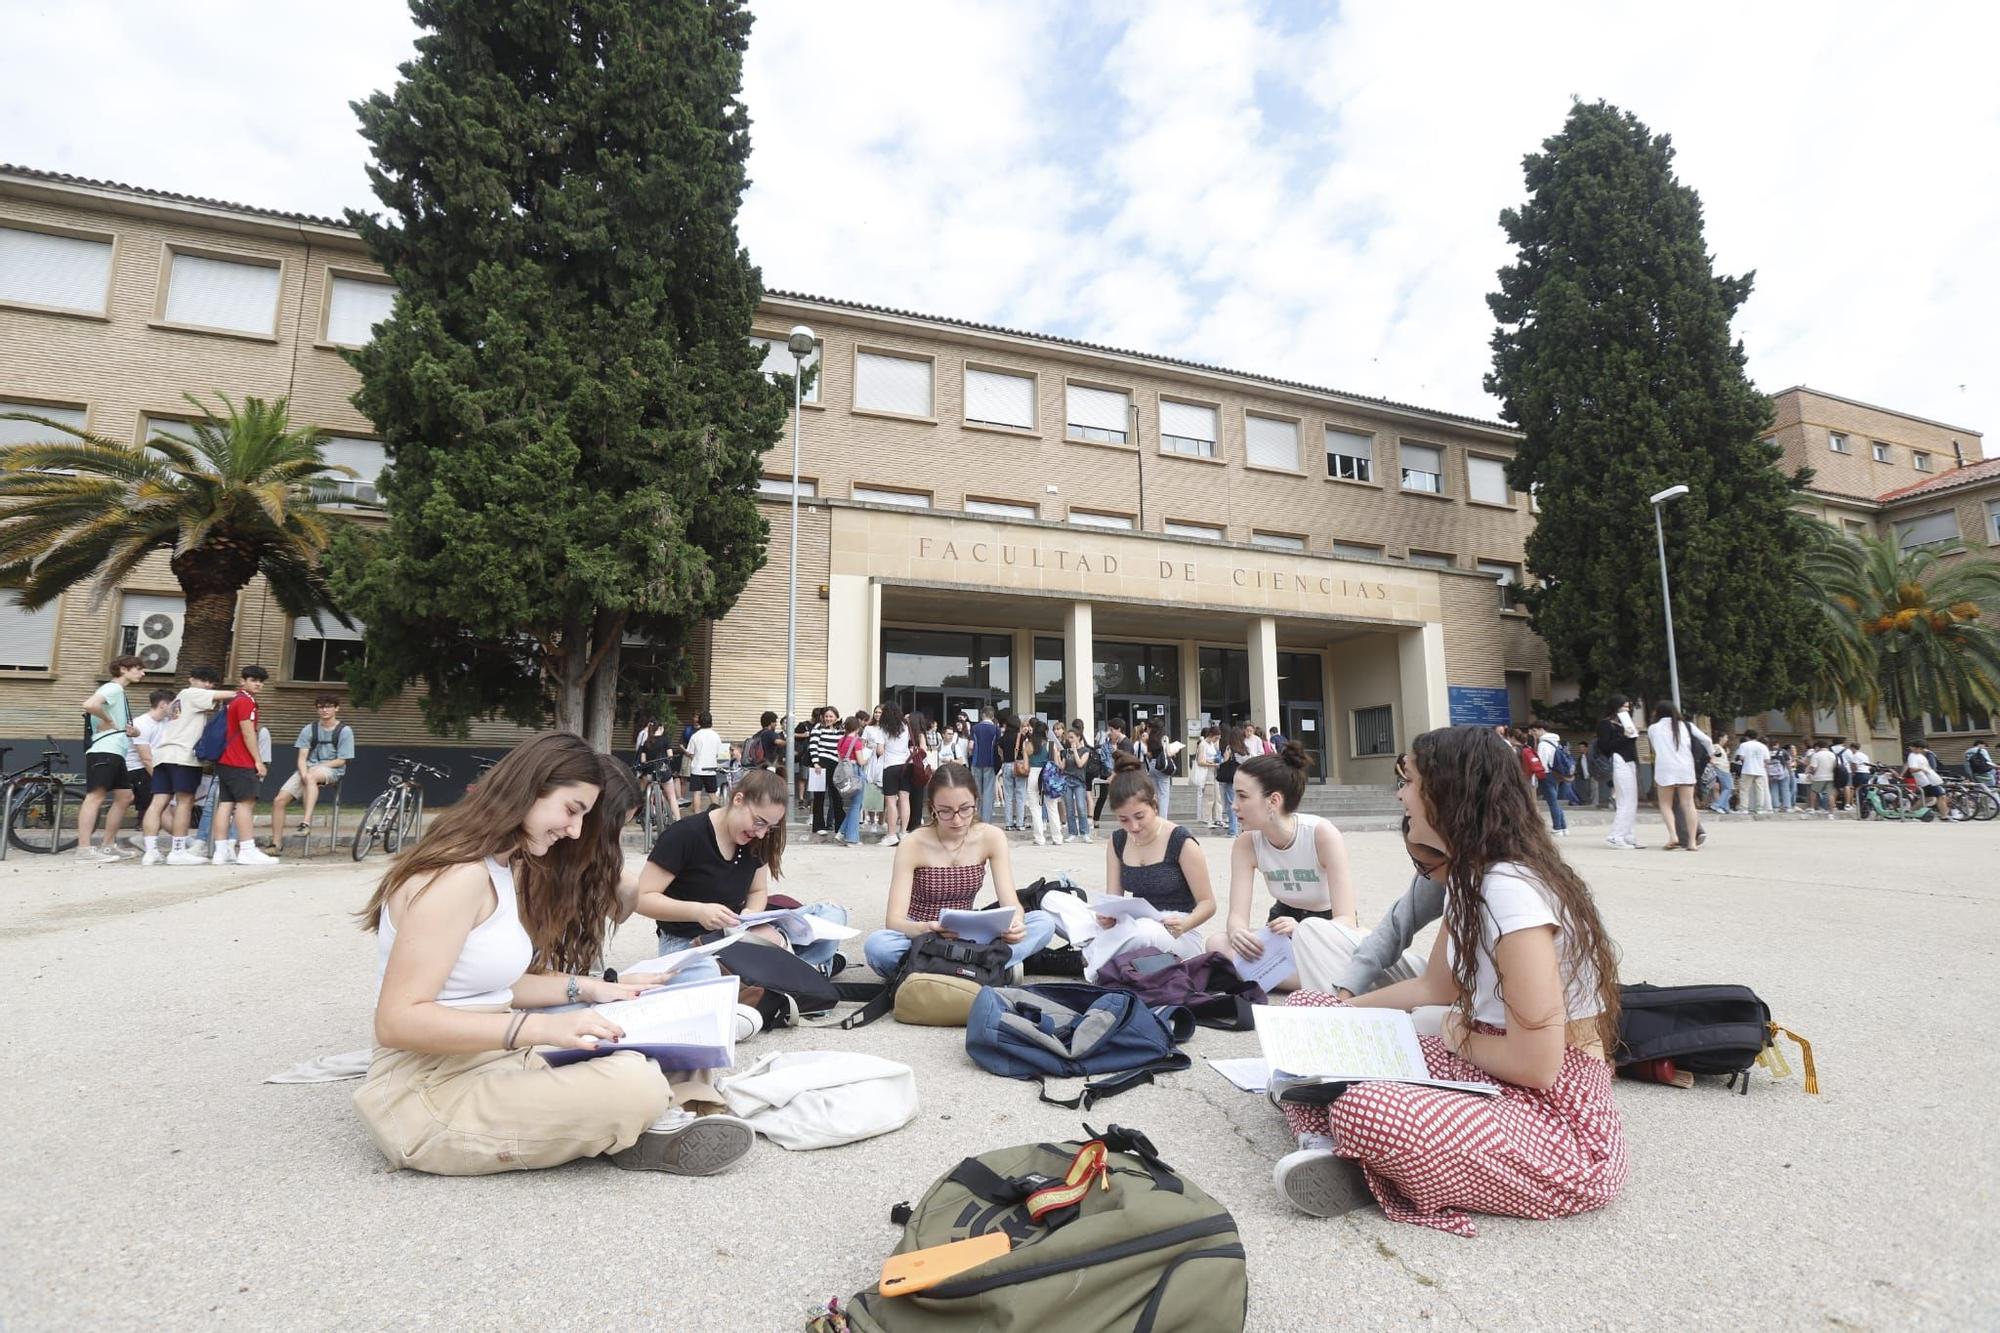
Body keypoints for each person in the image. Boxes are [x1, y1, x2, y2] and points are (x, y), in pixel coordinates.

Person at [1270, 726, 1626, 1234]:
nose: (1400, 794)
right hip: (1490, 1068)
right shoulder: (1469, 876)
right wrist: (1338, 1017)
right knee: (1307, 1009)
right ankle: (1330, 1150)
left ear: (1446, 791)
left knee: (1365, 1109)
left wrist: (1458, 1034)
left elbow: (1537, 1065)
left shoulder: (1510, 891)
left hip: (1557, 1120)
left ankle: (1354, 1145)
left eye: (1408, 780)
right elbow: (1433, 989)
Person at [353, 732, 755, 1176]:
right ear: (530, 787)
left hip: (494, 1060)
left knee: (645, 1035)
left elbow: (492, 986)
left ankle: (647, 1120)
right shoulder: (458, 876)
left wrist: (594, 988)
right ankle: (644, 1119)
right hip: (427, 1093)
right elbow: (397, 1021)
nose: (576, 830)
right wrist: (546, 1026)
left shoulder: (500, 866)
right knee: (633, 1080)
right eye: (571, 810)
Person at [633, 766, 848, 974]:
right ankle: (802, 968)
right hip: (688, 942)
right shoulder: (685, 835)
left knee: (833, 914)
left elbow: (757, 891)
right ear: (738, 800)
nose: (762, 834)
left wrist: (751, 914)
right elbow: (641, 898)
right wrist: (698, 911)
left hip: (738, 934)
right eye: (759, 822)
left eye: (769, 827)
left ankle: (788, 969)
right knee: (706, 973)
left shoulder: (758, 840)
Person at [862, 763, 1057, 977]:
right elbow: (894, 921)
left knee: (1043, 922)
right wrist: (926, 928)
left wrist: (1016, 923)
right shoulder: (913, 843)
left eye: (965, 809)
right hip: (923, 937)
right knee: (878, 946)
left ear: (976, 801)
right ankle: (984, 968)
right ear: (932, 808)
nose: (957, 820)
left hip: (971, 935)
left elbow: (1011, 903)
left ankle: (936, 970)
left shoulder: (991, 837)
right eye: (945, 811)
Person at [1217, 743, 1356, 990]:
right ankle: (1319, 981)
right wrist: (1238, 932)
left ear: (1274, 800)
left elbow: (1346, 919)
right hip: (1281, 924)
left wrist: (1304, 930)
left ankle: (1274, 976)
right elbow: (1237, 916)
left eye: (1243, 796)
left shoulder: (1321, 834)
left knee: (1360, 949)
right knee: (1217, 944)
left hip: (1325, 930)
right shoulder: (1246, 844)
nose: (1233, 804)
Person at [1292, 825, 1444, 1023]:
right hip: (1439, 982)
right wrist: (1347, 992)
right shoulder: (1439, 870)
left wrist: (1347, 1007)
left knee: (1426, 1020)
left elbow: (1439, 987)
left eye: (1423, 866)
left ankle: (1338, 1026)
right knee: (1310, 931)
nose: (1400, 795)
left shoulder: (1480, 880)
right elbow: (1394, 928)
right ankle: (1338, 1027)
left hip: (1469, 997)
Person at [1084, 754, 1217, 979]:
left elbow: (1208, 904)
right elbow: (1114, 901)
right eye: (1124, 820)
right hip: (1134, 925)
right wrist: (1107, 917)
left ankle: (1093, 962)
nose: (1133, 826)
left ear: (1154, 805)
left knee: (1144, 932)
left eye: (1139, 816)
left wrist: (1185, 924)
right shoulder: (1117, 841)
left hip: (1178, 931)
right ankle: (1100, 953)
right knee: (1059, 904)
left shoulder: (1180, 840)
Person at [140, 666, 235, 865]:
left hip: (163, 755)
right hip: (183, 756)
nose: (207, 685)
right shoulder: (192, 694)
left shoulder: (178, 700)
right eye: (203, 680)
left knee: (158, 802)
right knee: (185, 802)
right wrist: (245, 692)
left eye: (211, 683)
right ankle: (178, 851)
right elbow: (229, 695)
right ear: (191, 679)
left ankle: (151, 852)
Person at [75, 655, 147, 862]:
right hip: (105, 750)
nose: (143, 673)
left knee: (125, 796)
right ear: (123, 669)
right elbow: (89, 705)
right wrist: (108, 720)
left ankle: (108, 846)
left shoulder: (118, 692)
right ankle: (84, 849)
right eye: (139, 669)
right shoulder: (113, 688)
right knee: (95, 796)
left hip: (115, 751)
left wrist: (127, 730)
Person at [209, 666, 276, 866]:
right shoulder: (246, 702)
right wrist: (258, 760)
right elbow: (248, 733)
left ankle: (220, 851)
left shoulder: (233, 700)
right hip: (240, 761)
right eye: (254, 680)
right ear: (243, 680)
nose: (258, 684)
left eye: (261, 681)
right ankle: (247, 849)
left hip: (225, 760)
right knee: (245, 803)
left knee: (226, 803)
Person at [269, 693, 354, 849]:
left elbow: (342, 760)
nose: (324, 710)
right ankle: (276, 843)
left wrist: (316, 769)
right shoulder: (309, 728)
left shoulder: (345, 730)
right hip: (308, 768)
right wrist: (303, 773)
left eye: (328, 706)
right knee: (279, 800)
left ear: (336, 708)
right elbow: (302, 757)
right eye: (321, 707)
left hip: (332, 769)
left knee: (311, 777)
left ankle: (306, 822)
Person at [1646, 702, 1711, 851]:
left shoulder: (1653, 729)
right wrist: (1712, 755)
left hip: (1665, 768)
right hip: (1685, 767)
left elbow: (1656, 747)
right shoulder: (1686, 726)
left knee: (1665, 804)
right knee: (1688, 805)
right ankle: (1692, 843)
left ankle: (1673, 836)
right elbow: (1706, 740)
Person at [129, 688, 175, 862]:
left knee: (164, 808)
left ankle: (179, 840)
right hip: (139, 769)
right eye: (173, 705)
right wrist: (161, 780)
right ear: (163, 705)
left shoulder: (165, 722)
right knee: (160, 808)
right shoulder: (141, 723)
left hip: (158, 767)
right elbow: (146, 758)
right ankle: (156, 845)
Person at [1595, 696, 1641, 849]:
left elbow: (1630, 742)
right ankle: (1616, 835)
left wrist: (1631, 735)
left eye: (1628, 707)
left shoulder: (1625, 722)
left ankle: (1628, 834)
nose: (1627, 710)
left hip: (1630, 761)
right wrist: (1625, 737)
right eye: (1624, 707)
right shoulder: (1606, 724)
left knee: (1632, 800)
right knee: (1624, 800)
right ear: (1615, 707)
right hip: (1618, 761)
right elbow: (1605, 746)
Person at [871, 702, 914, 847]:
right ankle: (903, 832)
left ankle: (891, 834)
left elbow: (880, 751)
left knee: (891, 802)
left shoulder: (882, 729)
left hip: (890, 767)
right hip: (907, 766)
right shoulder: (906, 727)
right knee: (905, 800)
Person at [808, 705, 846, 842]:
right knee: (819, 795)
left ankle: (840, 826)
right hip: (821, 764)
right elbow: (813, 745)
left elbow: (842, 748)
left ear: (836, 717)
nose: (829, 718)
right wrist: (816, 762)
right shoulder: (818, 728)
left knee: (836, 796)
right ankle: (818, 825)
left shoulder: (840, 730)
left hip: (836, 765)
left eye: (831, 716)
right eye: (827, 716)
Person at [1528, 720, 1568, 837]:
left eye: (1535, 731)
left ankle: (1557, 827)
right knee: (1554, 800)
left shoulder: (1543, 744)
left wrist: (1537, 776)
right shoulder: (1554, 741)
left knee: (1552, 801)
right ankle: (1563, 826)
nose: (1533, 733)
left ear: (1541, 729)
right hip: (1555, 773)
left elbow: (1542, 763)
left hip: (1546, 774)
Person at [1091, 717, 1135, 823]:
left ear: (1119, 729)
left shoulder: (1126, 744)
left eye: (1111, 730)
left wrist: (1113, 774)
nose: (1109, 732)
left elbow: (1123, 763)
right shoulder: (1117, 744)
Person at [835, 716, 870, 846]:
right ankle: (851, 838)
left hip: (845, 773)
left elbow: (840, 759)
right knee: (856, 805)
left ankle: (842, 832)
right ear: (857, 727)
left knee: (854, 805)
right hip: (856, 772)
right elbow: (861, 761)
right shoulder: (857, 742)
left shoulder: (841, 741)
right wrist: (869, 758)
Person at [1061, 719, 1094, 843]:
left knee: (1081, 806)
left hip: (1079, 782)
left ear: (1078, 737)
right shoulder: (1066, 752)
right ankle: (1072, 832)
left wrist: (1074, 750)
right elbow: (1062, 767)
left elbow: (1080, 764)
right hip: (1067, 780)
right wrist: (1057, 756)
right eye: (1068, 738)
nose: (1069, 740)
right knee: (1069, 808)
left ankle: (1085, 833)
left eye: (1072, 737)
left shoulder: (1085, 751)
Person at [684, 711, 722, 813]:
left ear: (699, 722)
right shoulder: (716, 736)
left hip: (697, 768)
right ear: (711, 722)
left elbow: (690, 753)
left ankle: (697, 814)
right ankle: (718, 814)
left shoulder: (695, 736)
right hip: (711, 768)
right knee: (712, 793)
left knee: (697, 793)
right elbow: (718, 754)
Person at [969, 707, 1001, 823]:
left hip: (976, 762)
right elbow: (998, 747)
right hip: (990, 763)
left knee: (976, 792)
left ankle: (975, 818)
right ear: (992, 716)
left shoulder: (975, 728)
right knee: (988, 793)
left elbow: (971, 746)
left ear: (982, 715)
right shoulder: (996, 729)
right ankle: (986, 821)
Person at [1903, 739, 1948, 820]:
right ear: (1917, 748)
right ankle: (1944, 816)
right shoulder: (1912, 756)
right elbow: (1912, 769)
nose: (1922, 750)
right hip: (1925, 780)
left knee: (1928, 798)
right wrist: (1922, 769)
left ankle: (1910, 811)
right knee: (1941, 796)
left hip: (1929, 778)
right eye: (1920, 748)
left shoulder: (1920, 755)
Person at [1215, 726, 1247, 835]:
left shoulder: (1230, 748)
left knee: (1231, 804)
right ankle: (1243, 829)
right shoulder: (1245, 749)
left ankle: (1233, 830)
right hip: (1244, 779)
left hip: (1231, 779)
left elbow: (1225, 761)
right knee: (1243, 804)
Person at [1734, 729, 1771, 816]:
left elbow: (1741, 758)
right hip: (1760, 770)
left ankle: (1744, 808)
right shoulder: (1763, 746)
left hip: (1747, 769)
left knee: (1744, 790)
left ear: (1747, 737)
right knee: (1760, 790)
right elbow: (1767, 760)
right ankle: (1759, 809)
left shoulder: (1744, 745)